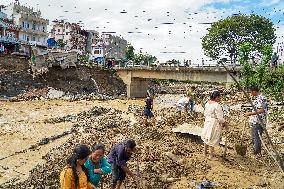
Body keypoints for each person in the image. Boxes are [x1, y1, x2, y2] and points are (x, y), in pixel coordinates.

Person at [201, 91, 227, 161]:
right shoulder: (217, 105)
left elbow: (205, 113)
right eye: (219, 97)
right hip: (214, 123)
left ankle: (205, 152)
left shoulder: (207, 103)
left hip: (207, 121)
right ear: (216, 97)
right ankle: (211, 156)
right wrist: (224, 123)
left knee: (207, 137)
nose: (220, 98)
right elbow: (220, 118)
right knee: (212, 138)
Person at [245, 85, 268, 155]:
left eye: (251, 92)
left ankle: (256, 152)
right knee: (254, 137)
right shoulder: (257, 98)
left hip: (259, 121)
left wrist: (251, 113)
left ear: (254, 91)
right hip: (255, 121)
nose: (250, 93)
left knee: (256, 137)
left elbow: (262, 110)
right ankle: (257, 151)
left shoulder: (262, 98)